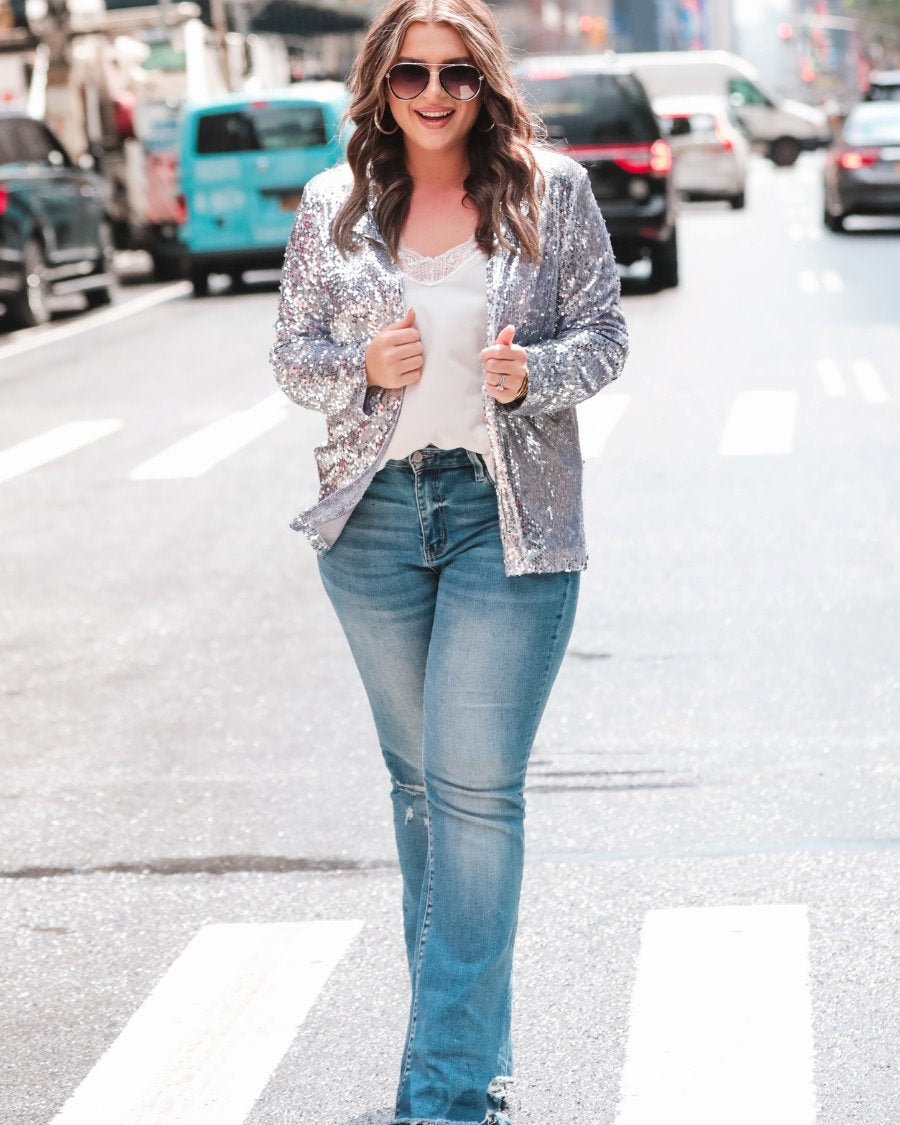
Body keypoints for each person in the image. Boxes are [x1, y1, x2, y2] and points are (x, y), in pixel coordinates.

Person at [269, 1, 629, 1122]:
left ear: (487, 84)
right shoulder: (334, 206)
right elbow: (292, 358)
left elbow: (605, 337)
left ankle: (445, 1096)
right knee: (423, 798)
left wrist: (536, 378)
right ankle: (475, 1060)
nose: (434, 93)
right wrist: (363, 364)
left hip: (503, 520)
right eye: (413, 73)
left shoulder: (547, 191)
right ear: (380, 82)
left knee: (473, 799)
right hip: (372, 521)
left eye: (458, 75)